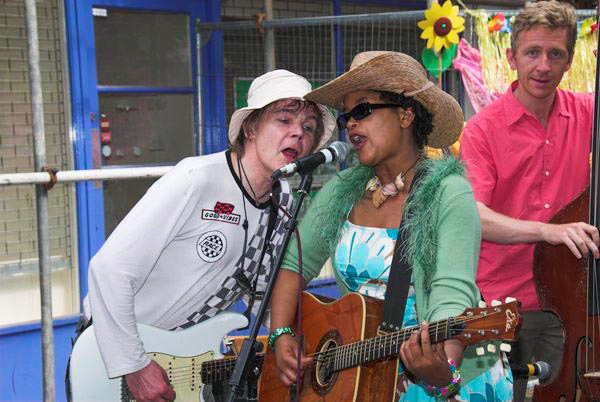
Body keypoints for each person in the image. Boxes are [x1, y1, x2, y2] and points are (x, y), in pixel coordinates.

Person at [77, 69, 336, 401]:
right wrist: (134, 364)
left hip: (182, 361)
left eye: (308, 128)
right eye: (284, 120)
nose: (297, 134)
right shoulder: (195, 179)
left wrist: (285, 336)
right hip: (116, 354)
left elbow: (260, 291)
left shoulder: (282, 199)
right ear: (251, 127)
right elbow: (108, 270)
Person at [268, 51, 512, 401]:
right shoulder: (342, 190)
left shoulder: (449, 191)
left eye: (363, 111)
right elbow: (293, 264)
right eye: (346, 117)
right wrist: (281, 334)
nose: (351, 124)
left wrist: (443, 367)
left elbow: (451, 294)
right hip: (363, 376)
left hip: (449, 375)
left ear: (405, 114)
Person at [459, 2, 599, 400]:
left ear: (571, 60)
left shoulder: (589, 113)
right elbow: (476, 218)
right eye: (532, 53)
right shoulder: (481, 130)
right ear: (511, 57)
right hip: (497, 301)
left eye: (555, 54)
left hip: (569, 298)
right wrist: (551, 232)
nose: (543, 66)